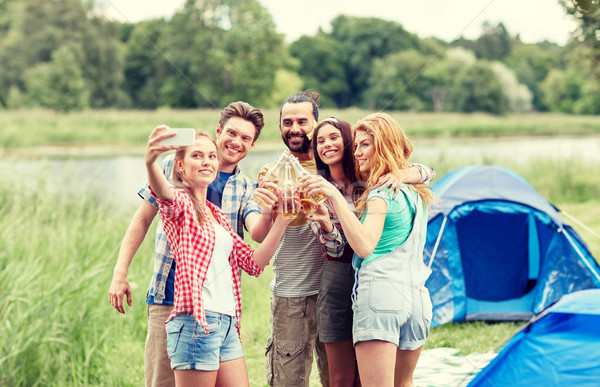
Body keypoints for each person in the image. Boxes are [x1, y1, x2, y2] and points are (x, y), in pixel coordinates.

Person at [108, 101, 273, 387]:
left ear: (253, 144)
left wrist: (278, 212)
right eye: (231, 133)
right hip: (170, 295)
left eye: (246, 138)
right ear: (219, 130)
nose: (236, 142)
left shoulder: (244, 188)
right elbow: (144, 218)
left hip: (218, 307)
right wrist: (119, 272)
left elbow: (256, 235)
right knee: (163, 380)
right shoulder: (175, 167)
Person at [144, 127, 293, 386]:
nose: (207, 162)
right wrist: (150, 160)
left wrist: (281, 221)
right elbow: (163, 192)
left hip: (227, 323)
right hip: (196, 322)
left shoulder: (218, 215)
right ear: (180, 166)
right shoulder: (179, 204)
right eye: (197, 156)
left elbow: (253, 263)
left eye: (211, 156)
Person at [301, 112, 435, 387]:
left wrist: (334, 196)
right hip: (417, 297)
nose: (358, 151)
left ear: (383, 146)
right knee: (403, 382)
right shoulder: (415, 193)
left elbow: (363, 246)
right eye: (358, 145)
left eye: (365, 145)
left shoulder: (379, 194)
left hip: (381, 297)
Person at [257, 90, 331, 387]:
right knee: (287, 381)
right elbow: (259, 235)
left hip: (335, 293)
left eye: (302, 121)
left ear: (316, 123)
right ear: (280, 128)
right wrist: (268, 212)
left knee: (340, 380)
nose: (295, 128)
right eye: (287, 122)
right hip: (291, 294)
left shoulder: (335, 164)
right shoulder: (270, 173)